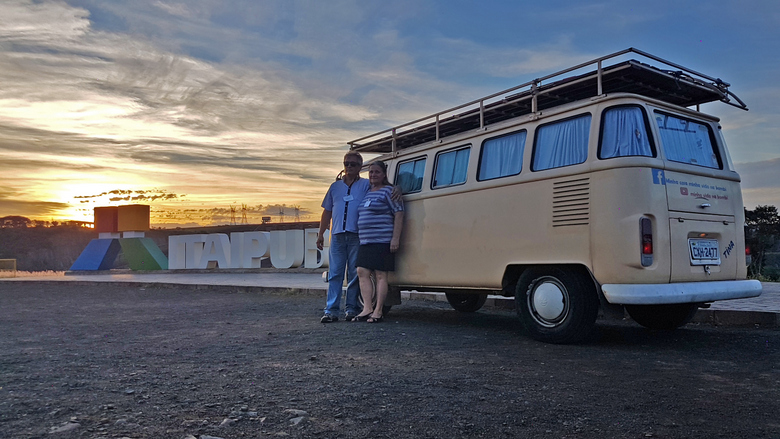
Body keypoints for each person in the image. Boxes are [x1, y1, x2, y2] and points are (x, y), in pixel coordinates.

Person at [316, 152, 370, 323]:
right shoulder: (335, 187)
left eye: (353, 164)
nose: (349, 167)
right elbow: (327, 211)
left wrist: (395, 189)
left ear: (360, 167)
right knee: (335, 273)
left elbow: (383, 188)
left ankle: (352, 309)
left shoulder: (366, 185)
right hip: (337, 234)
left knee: (354, 273)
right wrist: (321, 234)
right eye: (346, 163)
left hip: (356, 234)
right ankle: (331, 310)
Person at [353, 161, 404, 323]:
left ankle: (378, 311)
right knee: (362, 271)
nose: (373, 175)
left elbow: (399, 213)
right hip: (366, 240)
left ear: (383, 174)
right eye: (371, 172)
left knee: (381, 275)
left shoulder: (389, 191)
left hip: (382, 240)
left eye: (377, 172)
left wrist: (395, 238)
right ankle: (367, 308)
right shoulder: (367, 192)